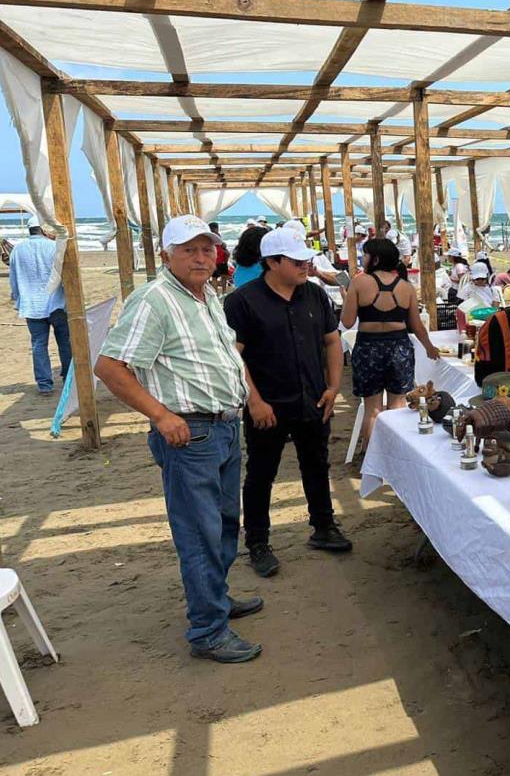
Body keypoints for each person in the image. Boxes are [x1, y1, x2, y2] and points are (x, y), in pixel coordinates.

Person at [94, 215, 261, 663]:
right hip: (192, 432)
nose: (201, 257)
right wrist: (160, 415)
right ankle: (208, 630)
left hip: (223, 425)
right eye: (189, 249)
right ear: (167, 253)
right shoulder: (154, 300)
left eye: (207, 249)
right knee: (200, 533)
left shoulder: (206, 296)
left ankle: (216, 601)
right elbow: (110, 368)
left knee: (225, 523)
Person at [224, 228, 351, 578]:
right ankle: (258, 542)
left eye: (306, 259)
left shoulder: (314, 294)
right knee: (262, 474)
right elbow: (235, 358)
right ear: (272, 262)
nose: (305, 266)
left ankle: (323, 526)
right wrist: (255, 401)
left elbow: (331, 341)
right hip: (268, 405)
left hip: (313, 399)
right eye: (296, 261)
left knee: (317, 464)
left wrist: (333, 386)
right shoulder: (242, 302)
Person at [340, 238, 439, 454]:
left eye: (365, 254)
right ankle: (394, 456)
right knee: (397, 406)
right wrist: (429, 347)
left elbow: (347, 322)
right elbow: (417, 326)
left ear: (374, 258)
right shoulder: (406, 287)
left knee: (372, 409)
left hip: (368, 349)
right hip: (399, 348)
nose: (362, 258)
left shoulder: (359, 282)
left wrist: (346, 297)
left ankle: (370, 457)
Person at [8, 220, 71, 394]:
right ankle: (68, 379)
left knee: (38, 344)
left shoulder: (17, 250)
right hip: (56, 303)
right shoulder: (54, 247)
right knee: (64, 342)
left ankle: (44, 384)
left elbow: (13, 278)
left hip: (32, 305)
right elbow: (65, 274)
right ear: (44, 229)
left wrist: (17, 297)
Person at [209, 222, 230, 294]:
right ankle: (221, 293)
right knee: (219, 277)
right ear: (216, 228)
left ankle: (218, 293)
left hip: (219, 259)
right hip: (218, 260)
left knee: (218, 277)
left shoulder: (213, 236)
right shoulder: (213, 236)